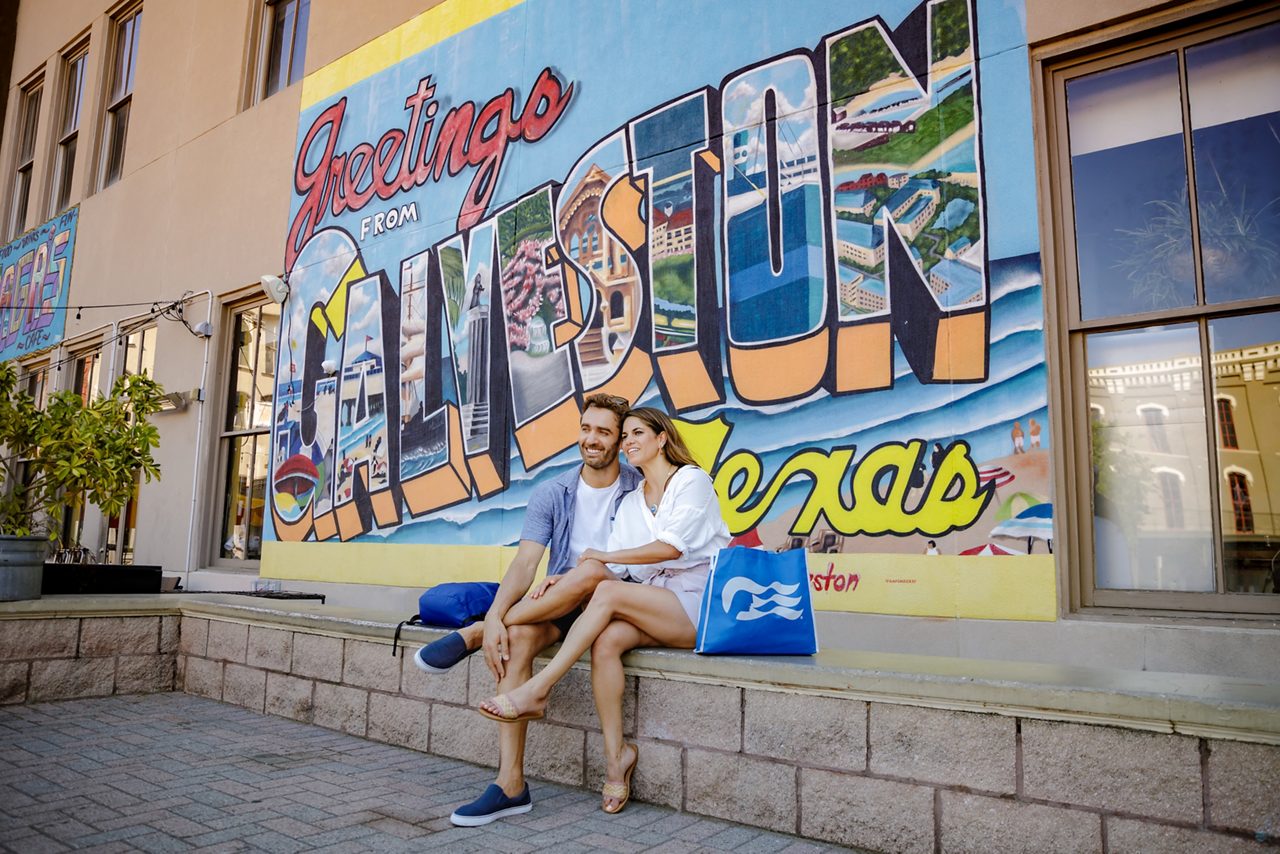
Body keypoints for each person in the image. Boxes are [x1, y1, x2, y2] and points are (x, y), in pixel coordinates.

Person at [477, 407, 730, 814]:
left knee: (610, 595)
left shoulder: (692, 481)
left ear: (662, 438)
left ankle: (538, 688)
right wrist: (564, 579)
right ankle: (617, 759)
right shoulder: (632, 501)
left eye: (636, 434)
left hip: (703, 603)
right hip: (660, 598)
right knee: (607, 639)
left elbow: (672, 548)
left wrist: (603, 559)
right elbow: (616, 568)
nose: (629, 442)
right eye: (625, 435)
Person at [414, 393, 640, 827]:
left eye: (604, 432)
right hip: (561, 601)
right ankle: (511, 785)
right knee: (516, 639)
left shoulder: (639, 487)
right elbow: (525, 562)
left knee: (591, 571)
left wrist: (490, 622)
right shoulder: (553, 491)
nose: (592, 440)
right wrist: (500, 615)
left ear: (619, 440)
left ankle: (474, 633)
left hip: (614, 602)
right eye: (586, 429)